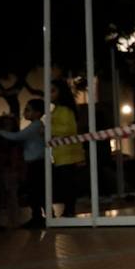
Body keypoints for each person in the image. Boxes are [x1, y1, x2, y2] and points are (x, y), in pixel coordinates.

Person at [0, 98, 47, 228]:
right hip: (37, 162)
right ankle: (45, 215)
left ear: (37, 113)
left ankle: (38, 217)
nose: (25, 112)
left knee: (35, 191)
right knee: (38, 190)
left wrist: (1, 132)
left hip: (35, 163)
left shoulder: (35, 126)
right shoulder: (37, 126)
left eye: (28, 110)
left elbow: (17, 136)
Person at [49, 79, 85, 217]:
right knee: (65, 184)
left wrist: (49, 129)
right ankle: (68, 210)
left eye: (53, 91)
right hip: (62, 153)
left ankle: (69, 210)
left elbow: (69, 128)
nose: (50, 94)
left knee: (67, 184)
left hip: (67, 153)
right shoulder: (59, 109)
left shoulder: (64, 109)